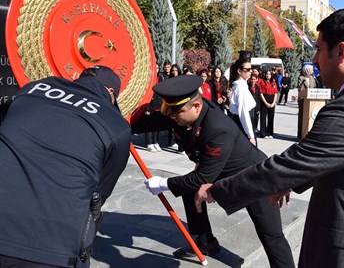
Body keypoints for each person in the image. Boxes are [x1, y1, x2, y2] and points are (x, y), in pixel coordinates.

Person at [195, 8, 344, 268]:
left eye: (320, 49)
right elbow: (335, 157)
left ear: (341, 52)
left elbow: (289, 164)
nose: (315, 58)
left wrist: (217, 190)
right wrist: (292, 182)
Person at [142, 75, 295, 267]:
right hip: (223, 172)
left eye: (176, 113)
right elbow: (154, 120)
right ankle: (205, 242)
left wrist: (163, 183)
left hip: (254, 180)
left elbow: (202, 178)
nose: (172, 117)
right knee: (190, 190)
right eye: (170, 113)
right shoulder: (185, 111)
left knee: (271, 236)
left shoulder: (217, 129)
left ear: (196, 107)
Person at [0, 65, 131, 267]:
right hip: (53, 248)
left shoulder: (32, 89)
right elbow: (99, 194)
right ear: (111, 92)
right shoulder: (117, 124)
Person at [228, 58, 257, 145]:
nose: (250, 71)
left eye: (250, 69)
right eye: (247, 69)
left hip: (243, 122)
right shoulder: (240, 87)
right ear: (239, 71)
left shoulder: (242, 85)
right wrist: (250, 135)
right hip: (242, 124)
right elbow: (243, 112)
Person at [297, 64, 316, 138]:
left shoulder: (312, 78)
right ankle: (300, 134)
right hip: (303, 99)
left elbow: (314, 87)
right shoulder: (301, 78)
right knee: (302, 116)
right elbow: (300, 88)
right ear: (307, 70)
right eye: (311, 70)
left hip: (311, 100)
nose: (313, 71)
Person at [259, 69, 278, 139]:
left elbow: (276, 93)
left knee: (271, 117)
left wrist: (273, 103)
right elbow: (261, 93)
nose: (268, 75)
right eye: (267, 74)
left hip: (272, 100)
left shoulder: (273, 83)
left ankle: (270, 132)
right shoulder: (262, 82)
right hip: (265, 100)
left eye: (269, 74)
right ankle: (263, 133)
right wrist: (266, 103)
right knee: (263, 118)